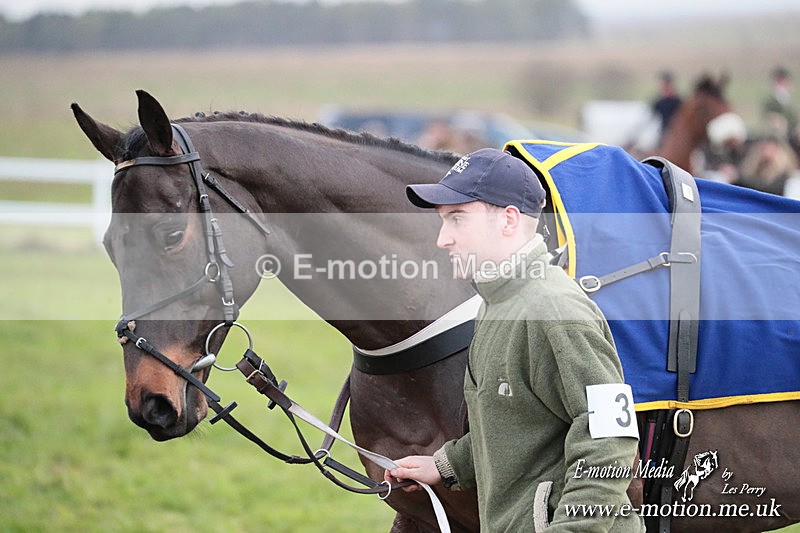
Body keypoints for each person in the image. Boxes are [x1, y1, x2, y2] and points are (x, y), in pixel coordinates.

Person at [386, 148, 644, 531]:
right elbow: (514, 424)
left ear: (508, 220)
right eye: (443, 221)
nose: (442, 239)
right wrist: (447, 465)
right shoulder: (495, 304)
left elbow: (611, 439)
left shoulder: (556, 310)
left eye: (457, 219)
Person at [763, 66, 799, 152]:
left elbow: (794, 119)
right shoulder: (770, 101)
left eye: (783, 81)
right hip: (776, 133)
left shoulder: (789, 102)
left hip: (791, 131)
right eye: (779, 81)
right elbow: (766, 116)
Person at [652, 70, 682, 138]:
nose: (665, 87)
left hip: (675, 132)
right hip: (661, 132)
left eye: (667, 85)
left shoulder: (678, 102)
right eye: (663, 85)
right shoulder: (658, 103)